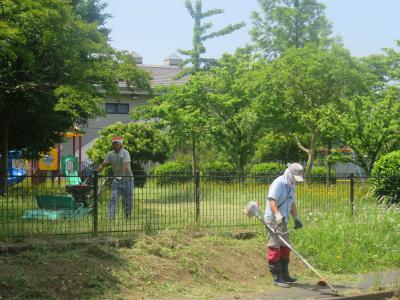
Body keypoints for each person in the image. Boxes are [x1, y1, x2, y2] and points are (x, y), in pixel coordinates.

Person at [263, 163, 304, 288]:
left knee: (285, 248)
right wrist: (277, 214)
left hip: (283, 221)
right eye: (295, 178)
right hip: (273, 220)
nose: (296, 181)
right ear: (290, 174)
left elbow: (291, 203)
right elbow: (272, 200)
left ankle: (285, 275)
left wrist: (296, 218)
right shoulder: (279, 183)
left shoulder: (292, 185)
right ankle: (277, 278)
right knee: (275, 248)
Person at [97, 136, 134, 219]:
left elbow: (125, 166)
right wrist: (96, 173)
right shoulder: (110, 154)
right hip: (116, 181)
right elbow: (103, 164)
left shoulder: (125, 152)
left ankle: (127, 217)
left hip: (127, 181)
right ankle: (110, 218)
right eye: (113, 144)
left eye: (116, 144)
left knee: (128, 200)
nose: (114, 145)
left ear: (121, 144)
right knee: (113, 199)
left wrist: (121, 176)